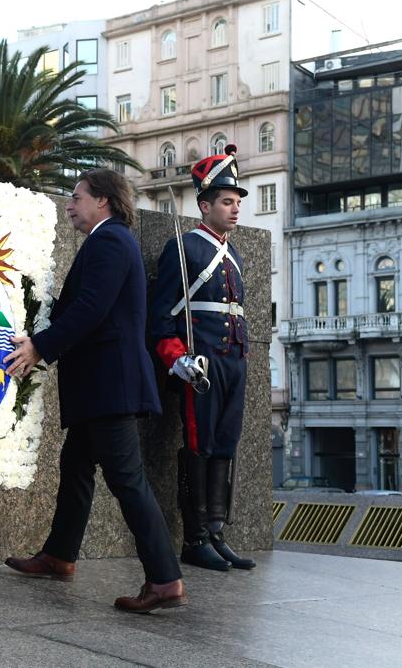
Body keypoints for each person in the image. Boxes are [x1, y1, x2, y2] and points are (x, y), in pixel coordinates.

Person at [2, 168, 186, 613]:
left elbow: (90, 308)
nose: (70, 204)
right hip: (98, 385)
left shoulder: (110, 241)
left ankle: (164, 578)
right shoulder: (110, 241)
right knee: (76, 466)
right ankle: (60, 555)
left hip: (109, 385)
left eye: (77, 196)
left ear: (102, 200)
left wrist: (40, 347)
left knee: (128, 480)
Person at [149, 144, 256, 572]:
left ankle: (216, 530)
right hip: (203, 366)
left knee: (225, 446)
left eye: (236, 203)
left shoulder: (236, 255)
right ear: (204, 204)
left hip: (234, 363)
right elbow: (161, 320)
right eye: (227, 202)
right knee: (200, 444)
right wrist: (177, 359)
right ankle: (194, 538)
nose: (234, 210)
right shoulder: (184, 249)